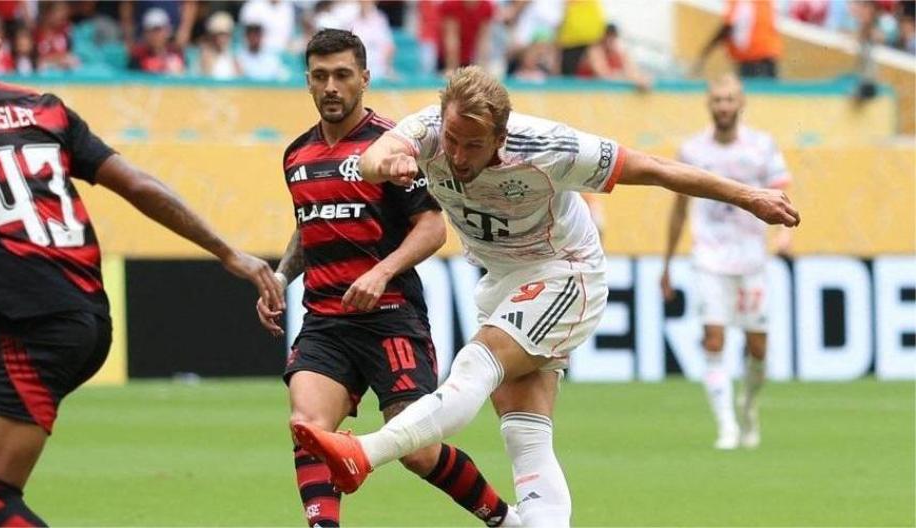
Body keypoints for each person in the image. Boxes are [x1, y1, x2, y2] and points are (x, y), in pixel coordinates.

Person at [291, 65, 800, 527]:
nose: (459, 157)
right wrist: (390, 163)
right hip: (499, 281)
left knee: (475, 365)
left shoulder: (547, 148)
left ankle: (364, 453)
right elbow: (374, 155)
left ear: (501, 137)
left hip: (565, 273)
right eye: (452, 141)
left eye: (474, 145)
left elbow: (652, 168)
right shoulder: (428, 131)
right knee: (525, 437)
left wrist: (749, 196)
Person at [0, 0, 283, 525]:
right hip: (84, 317)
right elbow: (139, 184)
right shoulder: (45, 108)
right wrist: (227, 252)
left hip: (34, 326)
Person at [259, 29, 520, 528]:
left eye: (342, 75)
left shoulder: (391, 148)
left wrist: (381, 272)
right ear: (308, 83)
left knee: (416, 450)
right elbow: (307, 226)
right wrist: (281, 275)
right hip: (326, 321)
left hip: (391, 319)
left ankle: (504, 519)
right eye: (320, 76)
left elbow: (431, 227)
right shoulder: (296, 156)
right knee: (307, 427)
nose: (331, 86)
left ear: (364, 78)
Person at [661, 74, 792, 450]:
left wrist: (786, 233)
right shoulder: (692, 151)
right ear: (709, 104)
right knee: (714, 338)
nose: (723, 106)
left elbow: (783, 191)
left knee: (758, 348)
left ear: (741, 103)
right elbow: (679, 209)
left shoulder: (762, 146)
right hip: (709, 259)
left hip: (752, 260)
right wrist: (668, 264)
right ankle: (727, 427)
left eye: (729, 99)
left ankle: (749, 406)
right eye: (717, 100)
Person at [692, 0, 783, 79]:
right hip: (765, 56)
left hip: (754, 59)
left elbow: (728, 27)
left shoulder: (741, 2)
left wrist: (705, 53)